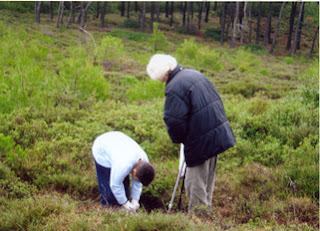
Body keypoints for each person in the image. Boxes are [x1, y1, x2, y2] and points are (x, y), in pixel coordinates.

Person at [146, 54, 236, 215]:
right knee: (207, 180)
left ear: (160, 74)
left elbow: (174, 120)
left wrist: (179, 139)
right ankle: (206, 217)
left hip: (200, 139)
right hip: (216, 134)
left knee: (194, 183)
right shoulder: (194, 74)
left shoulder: (175, 86)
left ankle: (199, 221)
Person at [92, 131, 155, 213]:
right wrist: (125, 203)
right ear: (134, 171)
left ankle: (123, 210)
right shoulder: (123, 165)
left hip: (119, 144)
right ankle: (108, 212)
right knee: (109, 193)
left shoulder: (144, 162)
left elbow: (138, 182)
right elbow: (115, 185)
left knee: (124, 190)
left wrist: (135, 199)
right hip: (102, 149)